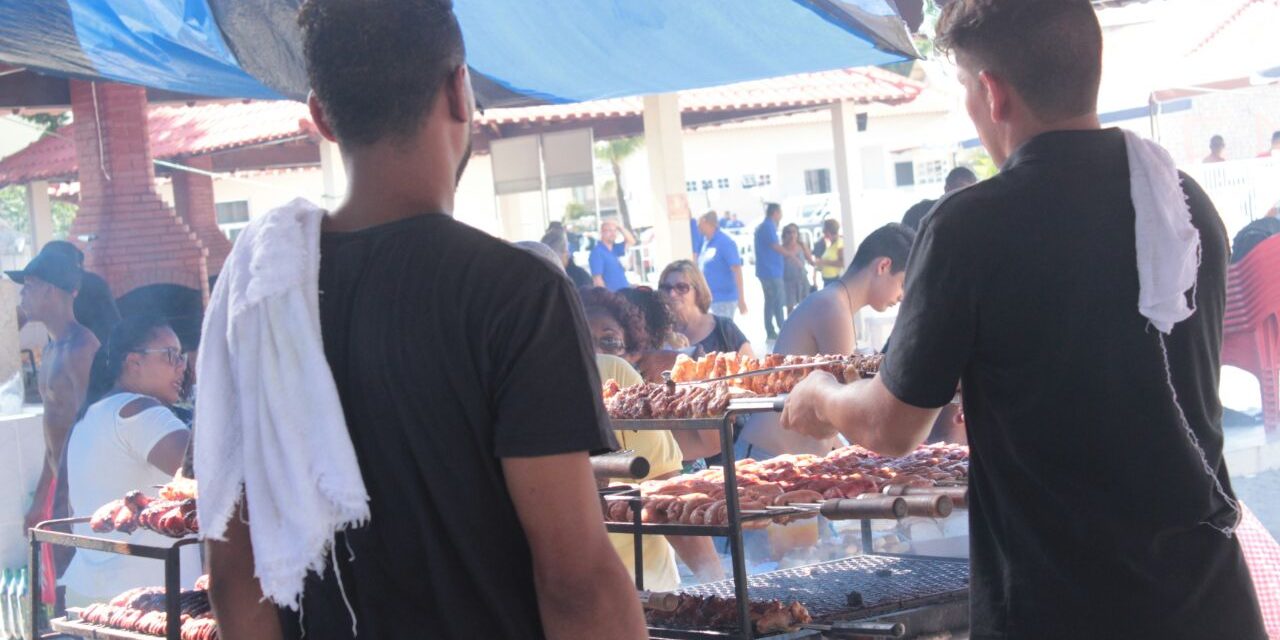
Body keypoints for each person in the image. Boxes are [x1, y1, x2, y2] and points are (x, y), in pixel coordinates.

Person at [780, 1, 1266, 637]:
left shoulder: (970, 225)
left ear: (991, 92)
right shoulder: (1182, 201)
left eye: (964, 89)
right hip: (1208, 605)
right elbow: (1119, 361)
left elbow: (890, 427)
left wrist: (820, 394)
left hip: (1062, 610)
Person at [202, 2, 647, 638]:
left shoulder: (259, 300)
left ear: (322, 117)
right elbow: (575, 581)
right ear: (459, 90)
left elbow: (233, 571)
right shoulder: (516, 293)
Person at [578, 288, 725, 587]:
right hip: (639, 594)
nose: (596, 352)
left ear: (633, 351)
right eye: (582, 337)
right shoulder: (612, 371)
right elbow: (666, 490)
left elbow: (703, 444)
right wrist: (720, 586)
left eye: (609, 341)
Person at [738, 224, 913, 461]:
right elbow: (847, 407)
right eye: (903, 284)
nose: (903, 297)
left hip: (781, 457)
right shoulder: (833, 308)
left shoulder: (834, 303)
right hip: (767, 456)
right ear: (883, 266)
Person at [61, 316, 196, 606]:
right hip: (145, 603)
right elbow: (203, 471)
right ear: (134, 362)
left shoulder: (89, 416)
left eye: (182, 356)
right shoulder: (139, 410)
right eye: (171, 355)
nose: (182, 366)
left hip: (88, 594)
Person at [9, 243, 99, 539]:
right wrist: (41, 502)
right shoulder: (50, 350)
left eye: (29, 286)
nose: (22, 294)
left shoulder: (82, 348)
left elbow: (94, 429)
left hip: (87, 493)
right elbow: (54, 439)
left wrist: (81, 498)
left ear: (49, 289)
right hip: (64, 490)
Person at [660, 260, 753, 357]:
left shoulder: (724, 329)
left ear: (698, 291)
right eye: (666, 288)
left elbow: (754, 369)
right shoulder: (658, 337)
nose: (672, 294)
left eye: (681, 287)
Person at [696, 211, 747, 319]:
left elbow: (737, 270)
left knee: (722, 333)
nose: (697, 226)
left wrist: (741, 299)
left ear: (705, 222)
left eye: (699, 223)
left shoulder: (725, 242)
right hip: (710, 300)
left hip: (724, 299)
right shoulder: (706, 242)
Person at [901, 167, 979, 231]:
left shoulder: (972, 219)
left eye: (971, 193)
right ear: (947, 189)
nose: (966, 197)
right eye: (961, 192)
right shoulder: (919, 212)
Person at [754, 202, 787, 339]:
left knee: (770, 301)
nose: (781, 215)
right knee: (776, 301)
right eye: (780, 212)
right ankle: (780, 328)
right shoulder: (768, 226)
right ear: (775, 213)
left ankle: (772, 329)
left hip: (767, 270)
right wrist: (790, 254)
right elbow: (775, 246)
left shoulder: (765, 226)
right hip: (770, 271)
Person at [590, 217, 637, 291]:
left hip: (625, 294)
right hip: (613, 298)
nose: (613, 233)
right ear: (602, 232)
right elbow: (597, 279)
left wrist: (619, 227)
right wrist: (606, 298)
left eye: (615, 231)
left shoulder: (615, 249)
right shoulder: (597, 252)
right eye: (609, 230)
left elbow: (631, 241)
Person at [780, 223, 815, 315]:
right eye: (789, 232)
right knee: (789, 307)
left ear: (797, 234)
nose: (792, 234)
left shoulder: (802, 246)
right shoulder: (782, 248)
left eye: (794, 232)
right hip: (788, 281)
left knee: (804, 306)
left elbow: (811, 261)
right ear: (785, 234)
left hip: (802, 279)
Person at [815, 219, 845, 287]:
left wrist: (824, 262)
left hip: (834, 279)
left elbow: (842, 263)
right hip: (827, 279)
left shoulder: (839, 243)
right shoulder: (831, 244)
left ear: (828, 231)